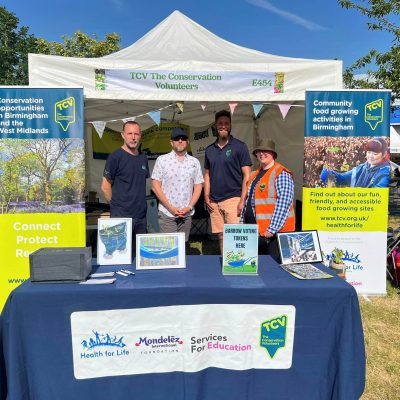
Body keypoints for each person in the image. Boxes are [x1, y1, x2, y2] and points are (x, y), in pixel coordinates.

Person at [204, 110, 252, 253]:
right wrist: (206, 196)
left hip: (234, 198)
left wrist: (243, 199)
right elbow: (207, 174)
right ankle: (227, 264)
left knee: (235, 235)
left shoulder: (240, 146)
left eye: (226, 123)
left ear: (230, 126)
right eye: (220, 123)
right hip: (214, 201)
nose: (223, 126)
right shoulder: (209, 150)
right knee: (221, 235)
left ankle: (238, 267)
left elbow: (247, 175)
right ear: (215, 126)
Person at [242, 138, 295, 260]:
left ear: (273, 154)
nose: (261, 153)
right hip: (257, 232)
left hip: (274, 235)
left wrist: (272, 229)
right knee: (257, 266)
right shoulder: (254, 174)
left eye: (266, 151)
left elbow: (284, 202)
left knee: (274, 270)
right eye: (259, 151)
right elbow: (248, 202)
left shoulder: (281, 173)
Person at [151, 128, 204, 242]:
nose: (180, 141)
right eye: (177, 139)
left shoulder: (194, 162)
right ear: (171, 142)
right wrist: (171, 209)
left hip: (187, 214)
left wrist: (189, 207)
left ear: (187, 142)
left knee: (182, 247)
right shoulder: (162, 160)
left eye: (183, 138)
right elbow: (155, 186)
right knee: (168, 248)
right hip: (167, 214)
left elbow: (198, 186)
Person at [101, 121, 149, 244]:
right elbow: (105, 187)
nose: (133, 137)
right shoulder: (115, 157)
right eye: (129, 133)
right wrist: (117, 207)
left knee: (140, 256)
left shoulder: (143, 157)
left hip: (141, 216)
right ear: (123, 135)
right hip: (121, 216)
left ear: (140, 135)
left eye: (136, 134)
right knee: (120, 255)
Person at [320, 137, 390, 188]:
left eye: (375, 154)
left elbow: (378, 193)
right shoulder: (362, 168)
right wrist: (330, 173)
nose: (370, 156)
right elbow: (343, 178)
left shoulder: (386, 172)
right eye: (369, 152)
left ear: (383, 154)